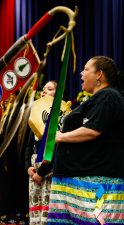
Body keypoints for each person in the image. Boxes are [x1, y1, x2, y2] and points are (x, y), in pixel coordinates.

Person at [47, 56, 124, 225]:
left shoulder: (108, 96)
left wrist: (60, 137)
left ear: (99, 75)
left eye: (86, 69)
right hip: (80, 183)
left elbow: (93, 130)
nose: (81, 74)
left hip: (95, 184)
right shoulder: (101, 98)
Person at [25, 81, 57, 225]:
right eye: (43, 89)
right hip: (34, 172)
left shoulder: (59, 119)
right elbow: (28, 146)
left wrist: (41, 173)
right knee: (35, 211)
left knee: (49, 210)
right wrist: (29, 169)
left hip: (49, 172)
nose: (44, 92)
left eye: (49, 89)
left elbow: (55, 149)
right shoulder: (36, 118)